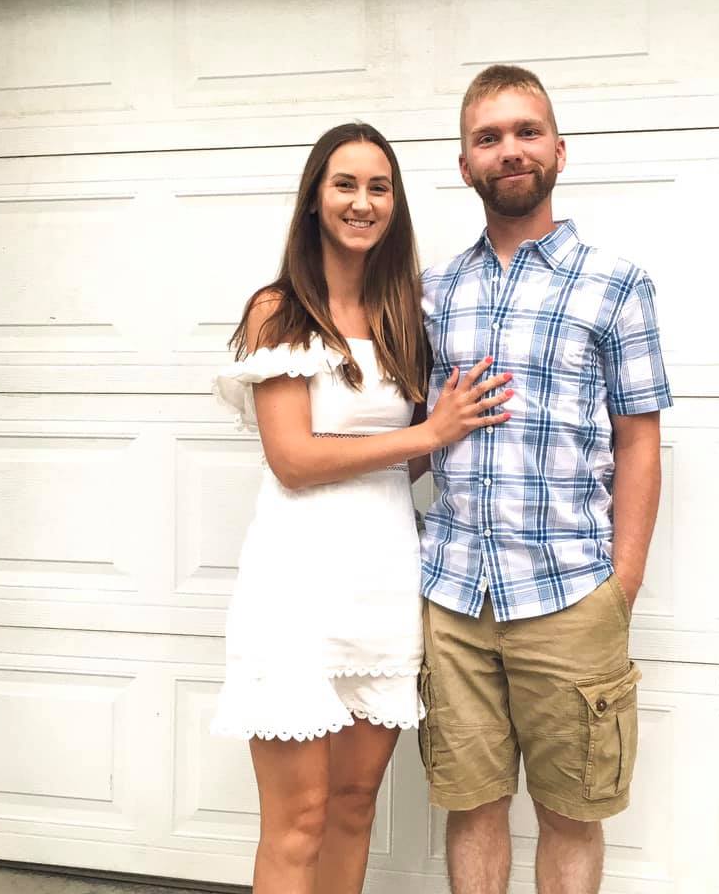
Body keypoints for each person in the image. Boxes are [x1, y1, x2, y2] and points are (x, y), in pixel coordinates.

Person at [210, 122, 512, 894]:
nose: (362, 202)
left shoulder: (402, 313)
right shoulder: (280, 310)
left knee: (352, 806)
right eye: (345, 184)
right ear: (315, 199)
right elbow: (295, 458)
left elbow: (408, 456)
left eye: (379, 187)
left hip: (383, 579)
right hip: (297, 584)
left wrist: (443, 436)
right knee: (300, 817)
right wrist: (428, 431)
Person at [418, 65, 673, 894]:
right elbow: (417, 437)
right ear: (465, 166)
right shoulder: (434, 294)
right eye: (488, 138)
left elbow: (639, 440)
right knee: (473, 807)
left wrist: (622, 582)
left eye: (526, 132)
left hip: (570, 597)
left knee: (572, 813)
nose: (510, 150)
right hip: (455, 599)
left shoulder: (617, 285)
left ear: (558, 150)